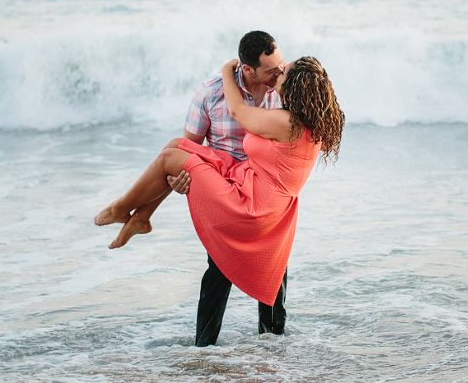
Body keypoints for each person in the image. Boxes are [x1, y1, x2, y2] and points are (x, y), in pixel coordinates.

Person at [94, 53, 344, 346]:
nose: (278, 73)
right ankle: (141, 217)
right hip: (259, 194)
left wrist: (227, 70)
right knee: (177, 146)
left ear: (296, 89)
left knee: (169, 159)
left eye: (284, 73)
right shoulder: (311, 121)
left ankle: (122, 208)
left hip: (251, 207)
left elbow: (237, 111)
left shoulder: (286, 121)